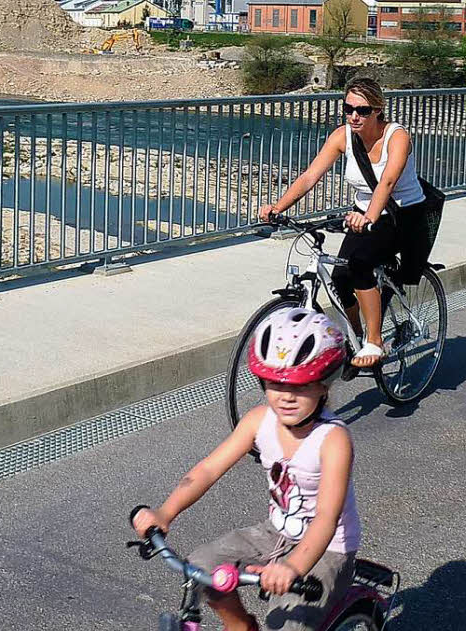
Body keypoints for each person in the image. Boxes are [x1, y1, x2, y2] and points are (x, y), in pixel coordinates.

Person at [132, 308, 361, 631]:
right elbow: (208, 469)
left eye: (300, 385)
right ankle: (241, 626)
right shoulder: (258, 420)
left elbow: (326, 518)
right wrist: (165, 513)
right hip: (275, 532)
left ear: (324, 385)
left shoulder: (333, 440)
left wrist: (293, 567)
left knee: (286, 622)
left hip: (328, 548)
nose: (285, 397)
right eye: (274, 384)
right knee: (202, 565)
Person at [259, 77, 426, 368]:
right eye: (348, 108)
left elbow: (387, 182)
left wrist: (369, 218)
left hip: (403, 214)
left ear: (378, 110)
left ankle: (375, 341)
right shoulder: (342, 135)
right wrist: (278, 206)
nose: (353, 116)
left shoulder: (397, 137)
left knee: (360, 264)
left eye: (361, 110)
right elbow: (310, 176)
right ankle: (356, 337)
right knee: (338, 278)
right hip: (364, 212)